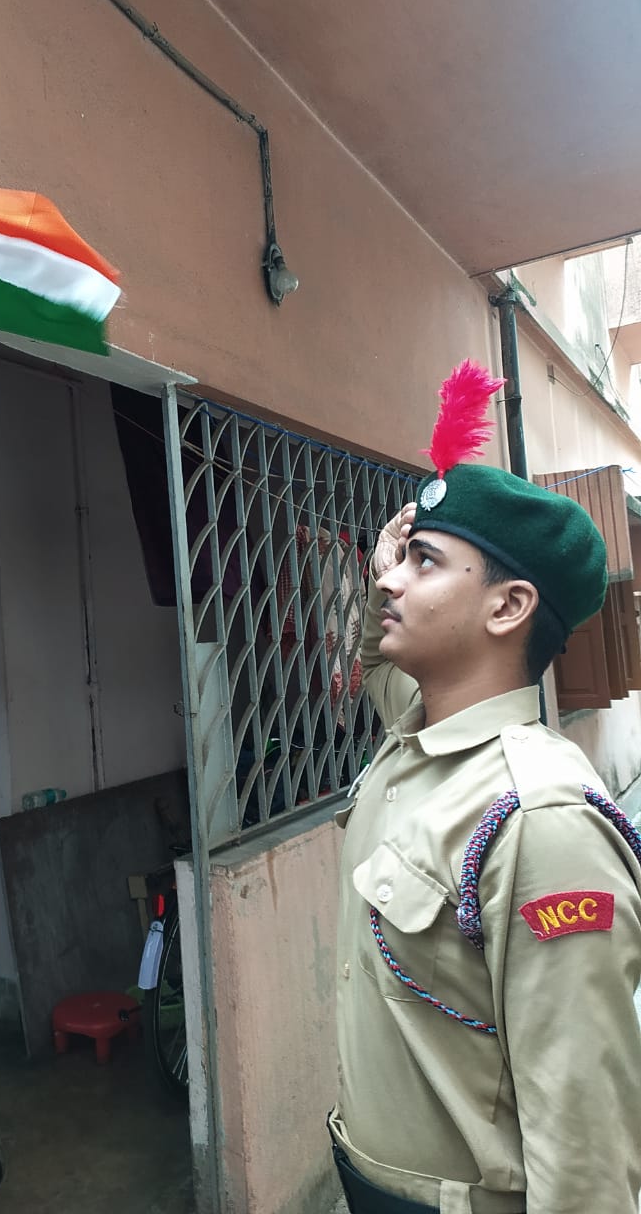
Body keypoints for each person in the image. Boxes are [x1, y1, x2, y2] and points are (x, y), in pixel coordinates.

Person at [329, 365, 641, 1214]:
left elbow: (584, 1147)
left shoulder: (540, 821)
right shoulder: (419, 737)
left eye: (423, 564)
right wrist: (393, 560)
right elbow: (368, 656)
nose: (390, 579)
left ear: (508, 608)